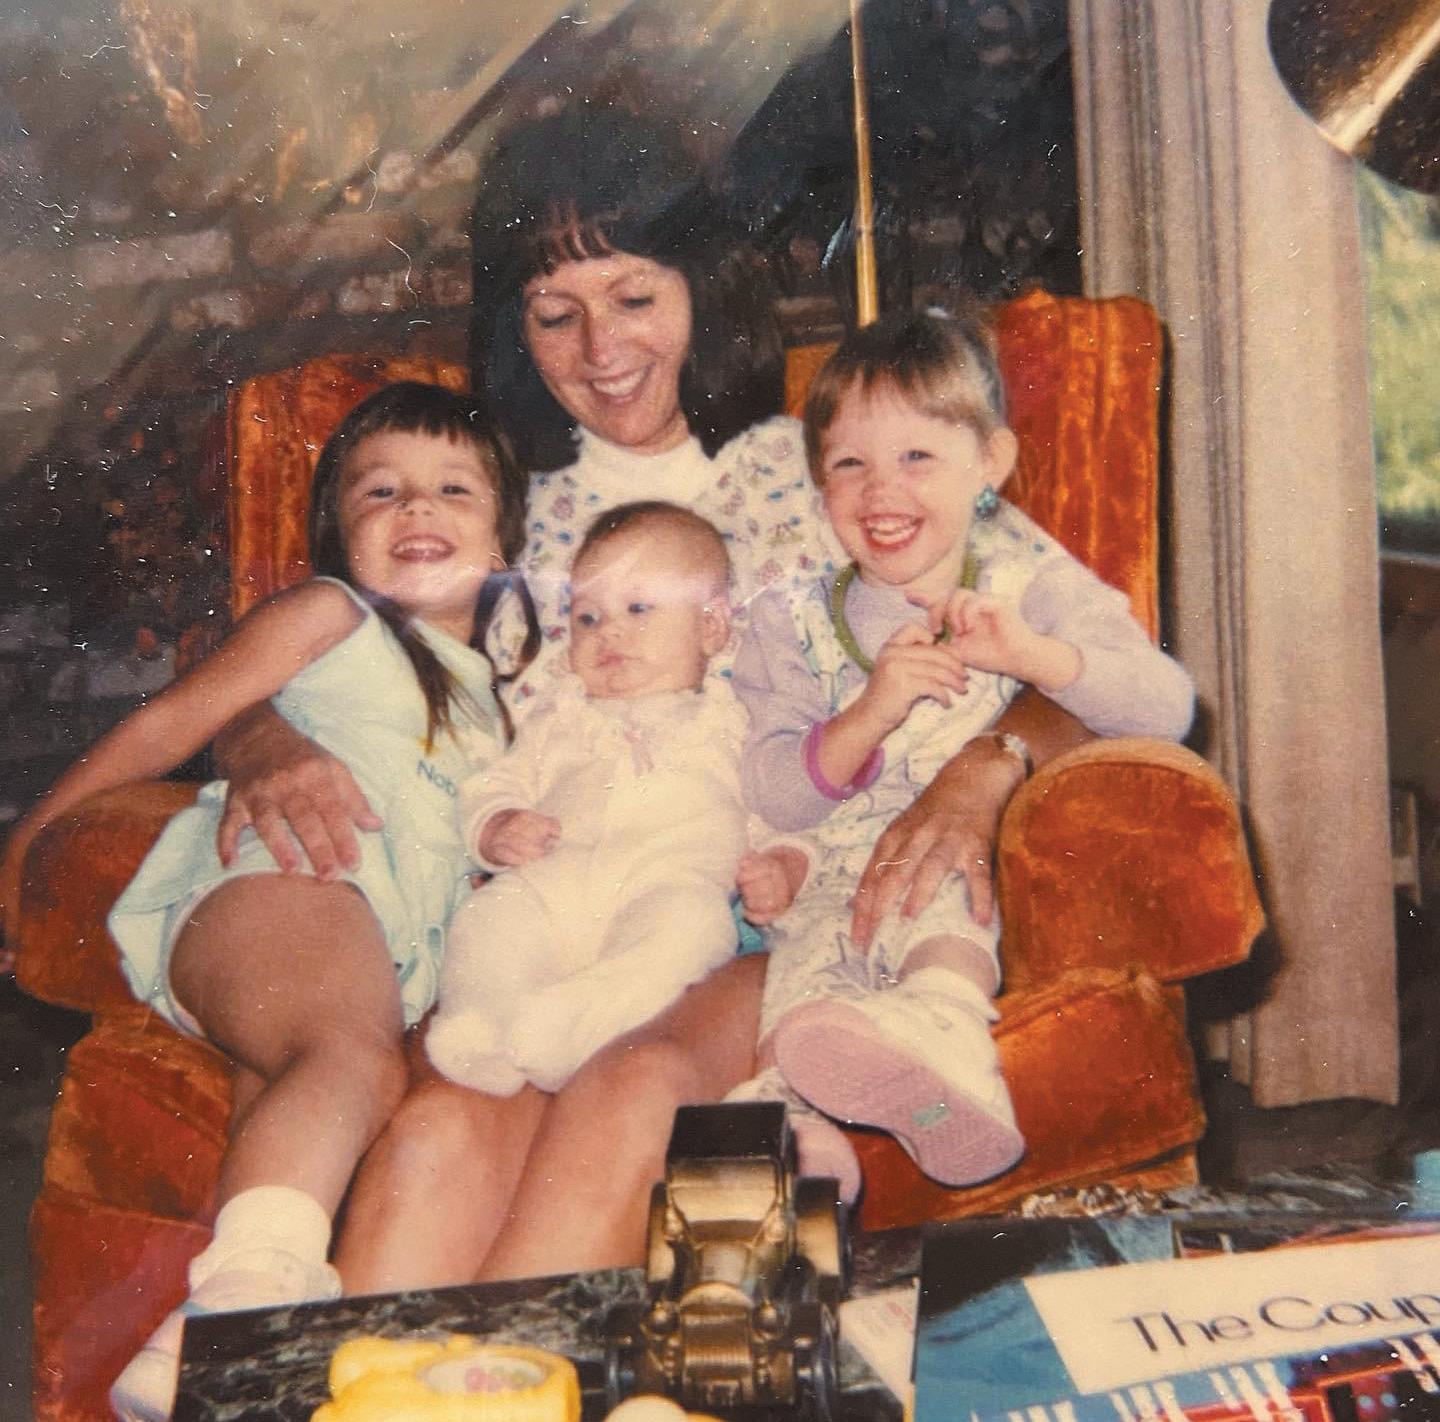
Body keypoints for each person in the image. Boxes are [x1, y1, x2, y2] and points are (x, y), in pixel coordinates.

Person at [211, 102, 1095, 1295]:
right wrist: (257, 737)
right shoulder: (492, 510)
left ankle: (515, 1377)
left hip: (766, 899)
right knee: (439, 1132)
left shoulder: (832, 464)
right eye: (554, 314)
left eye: (634, 296)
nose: (600, 348)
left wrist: (984, 773)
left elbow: (1084, 663)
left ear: (702, 291)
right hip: (550, 911)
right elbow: (329, 663)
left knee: (632, 1087)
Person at [0, 381, 533, 1422]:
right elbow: (170, 724)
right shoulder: (333, 617)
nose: (417, 510)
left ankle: (194, 1357)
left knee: (304, 1092)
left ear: (507, 537)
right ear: (337, 533)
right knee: (349, 1061)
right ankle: (240, 1320)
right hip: (282, 879)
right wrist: (22, 854)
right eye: (381, 492)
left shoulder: (500, 697)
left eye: (453, 490)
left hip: (379, 941)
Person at [727, 309, 1195, 1191]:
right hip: (828, 875)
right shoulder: (791, 622)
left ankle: (945, 1026)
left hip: (961, 858)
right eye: (849, 464)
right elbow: (776, 789)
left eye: (917, 456)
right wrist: (869, 712)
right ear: (818, 483)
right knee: (804, 996)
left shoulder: (1030, 585)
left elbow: (1166, 704)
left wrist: (1034, 657)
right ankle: (810, 1139)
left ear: (990, 464)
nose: (881, 491)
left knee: (941, 894)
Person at [428, 499, 850, 1202]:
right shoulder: (559, 713)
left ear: (711, 626)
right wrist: (497, 824)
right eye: (588, 617)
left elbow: (783, 811)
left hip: (669, 883)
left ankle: (577, 1027)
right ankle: (482, 1022)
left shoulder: (737, 722)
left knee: (692, 931)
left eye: (639, 609)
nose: (609, 633)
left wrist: (784, 865)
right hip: (554, 880)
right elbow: (497, 782)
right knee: (490, 920)